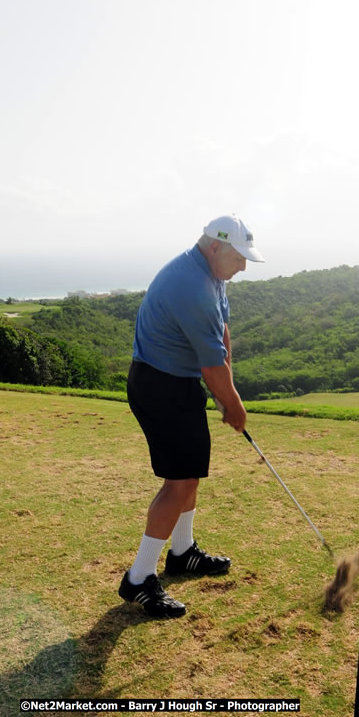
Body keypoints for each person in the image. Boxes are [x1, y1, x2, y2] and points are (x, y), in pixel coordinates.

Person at [118, 214, 265, 618]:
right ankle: (138, 578)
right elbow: (211, 365)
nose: (243, 267)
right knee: (179, 484)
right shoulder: (192, 285)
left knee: (191, 473)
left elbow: (222, 333)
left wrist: (226, 392)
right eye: (239, 257)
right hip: (160, 386)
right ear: (215, 246)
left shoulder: (212, 275)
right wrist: (233, 405)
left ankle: (182, 553)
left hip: (178, 384)